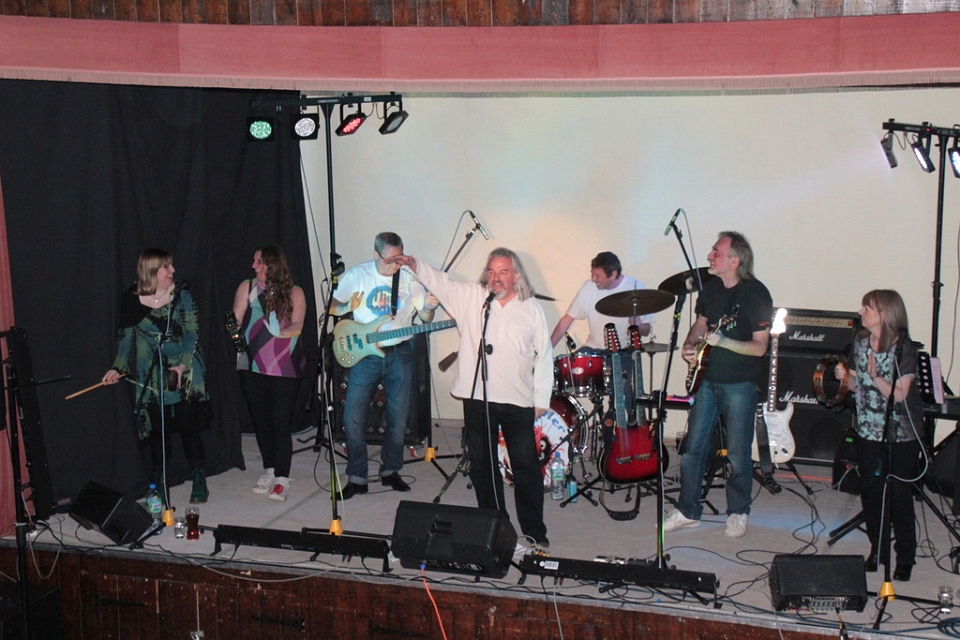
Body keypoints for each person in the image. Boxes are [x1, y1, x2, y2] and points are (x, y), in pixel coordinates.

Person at [395, 248, 554, 548]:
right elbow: (440, 282)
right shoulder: (471, 296)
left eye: (503, 271)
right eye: (491, 271)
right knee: (482, 466)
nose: (496, 278)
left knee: (525, 467)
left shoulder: (531, 307)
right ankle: (496, 525)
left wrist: (541, 399)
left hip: (518, 400)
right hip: (477, 398)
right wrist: (415, 264)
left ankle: (534, 530)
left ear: (516, 275)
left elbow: (544, 355)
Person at [663, 231, 772, 538]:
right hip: (707, 381)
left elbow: (760, 347)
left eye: (716, 252)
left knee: (737, 454)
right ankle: (687, 510)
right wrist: (690, 346)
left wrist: (723, 342)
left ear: (734, 261)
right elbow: (700, 323)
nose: (710, 256)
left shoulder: (756, 294)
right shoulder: (711, 288)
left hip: (740, 385)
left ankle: (738, 511)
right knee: (692, 449)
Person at [330, 232, 437, 500]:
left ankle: (391, 470)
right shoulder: (359, 274)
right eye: (389, 260)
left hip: (400, 352)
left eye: (399, 258)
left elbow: (425, 317)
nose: (395, 265)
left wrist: (429, 307)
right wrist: (347, 305)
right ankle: (357, 477)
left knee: (399, 417)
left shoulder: (409, 277)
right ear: (375, 255)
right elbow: (333, 306)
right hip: (366, 354)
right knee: (352, 416)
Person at [103, 248, 211, 504]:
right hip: (151, 373)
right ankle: (160, 480)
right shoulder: (131, 298)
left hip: (184, 368)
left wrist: (182, 366)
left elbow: (192, 333)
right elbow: (125, 338)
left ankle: (199, 477)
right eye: (166, 267)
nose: (173, 270)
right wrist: (117, 367)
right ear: (151, 271)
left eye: (171, 266)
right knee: (157, 432)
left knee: (188, 426)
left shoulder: (182, 294)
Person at [834, 290, 922, 582]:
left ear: (884, 314)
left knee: (898, 495)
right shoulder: (860, 343)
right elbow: (856, 384)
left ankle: (906, 556)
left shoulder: (904, 349)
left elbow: (898, 395)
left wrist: (874, 377)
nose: (861, 312)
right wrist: (845, 378)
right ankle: (878, 549)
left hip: (900, 434)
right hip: (867, 429)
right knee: (871, 493)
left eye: (867, 308)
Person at [233, 243, 307, 502]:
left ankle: (282, 478)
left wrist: (280, 333)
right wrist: (235, 335)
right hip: (251, 364)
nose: (254, 266)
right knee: (261, 421)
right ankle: (270, 470)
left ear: (272, 264)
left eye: (259, 261)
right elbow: (235, 319)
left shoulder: (295, 292)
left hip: (283, 365)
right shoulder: (248, 287)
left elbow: (298, 325)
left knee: (279, 422)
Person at [549, 251, 654, 350]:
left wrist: (637, 325)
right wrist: (547, 351)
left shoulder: (635, 287)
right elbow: (566, 320)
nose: (593, 279)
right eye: (592, 274)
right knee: (573, 362)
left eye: (598, 276)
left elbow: (646, 331)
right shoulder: (588, 287)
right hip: (593, 349)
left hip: (622, 350)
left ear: (613, 275)